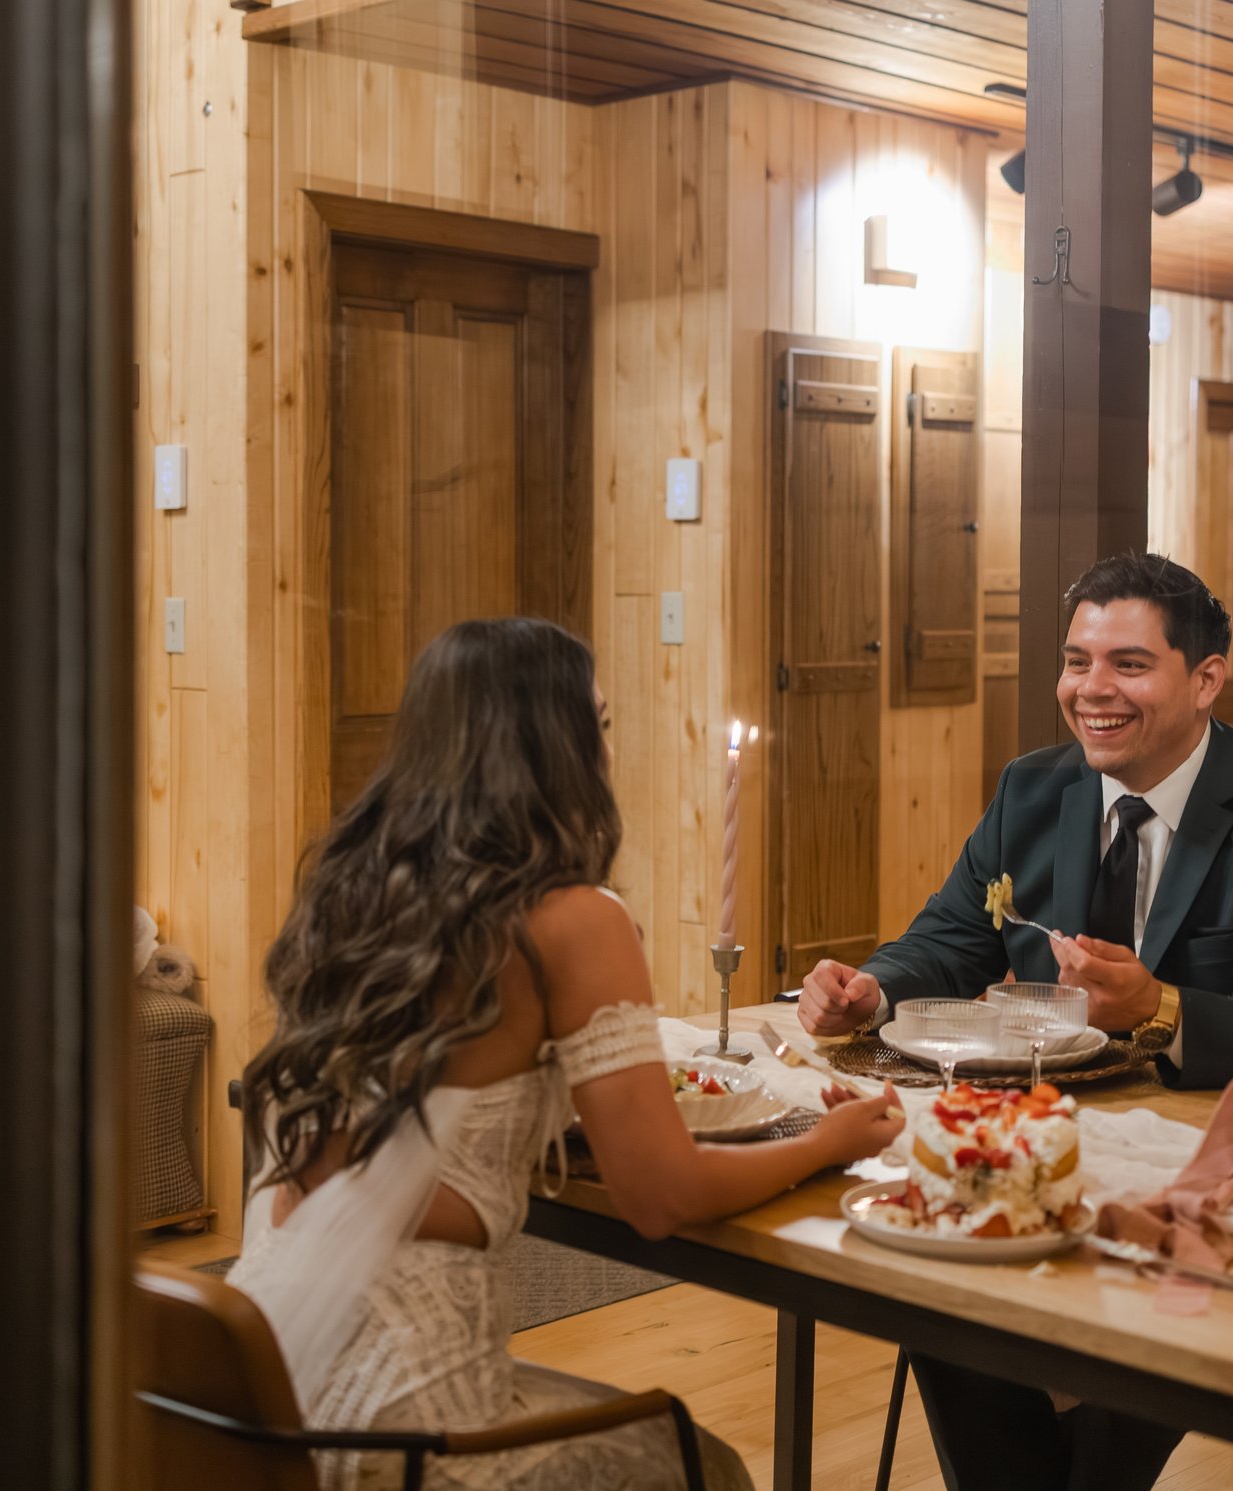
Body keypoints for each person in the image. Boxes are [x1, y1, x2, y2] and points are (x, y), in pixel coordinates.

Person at [231, 617, 903, 1491]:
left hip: (261, 1374)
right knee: (705, 1468)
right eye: (602, 723)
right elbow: (660, 1195)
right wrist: (826, 1142)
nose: (608, 750)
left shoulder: (351, 887)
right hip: (415, 1418)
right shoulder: (575, 916)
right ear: (559, 746)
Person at [796, 552, 1233, 1491]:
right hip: (1035, 1150)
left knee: (1115, 1368)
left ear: (1206, 678)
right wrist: (872, 990)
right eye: (1077, 660)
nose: (1093, 689)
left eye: (1129, 663)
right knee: (942, 1294)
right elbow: (954, 935)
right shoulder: (1031, 788)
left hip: (1200, 1174)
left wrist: (1164, 1008)